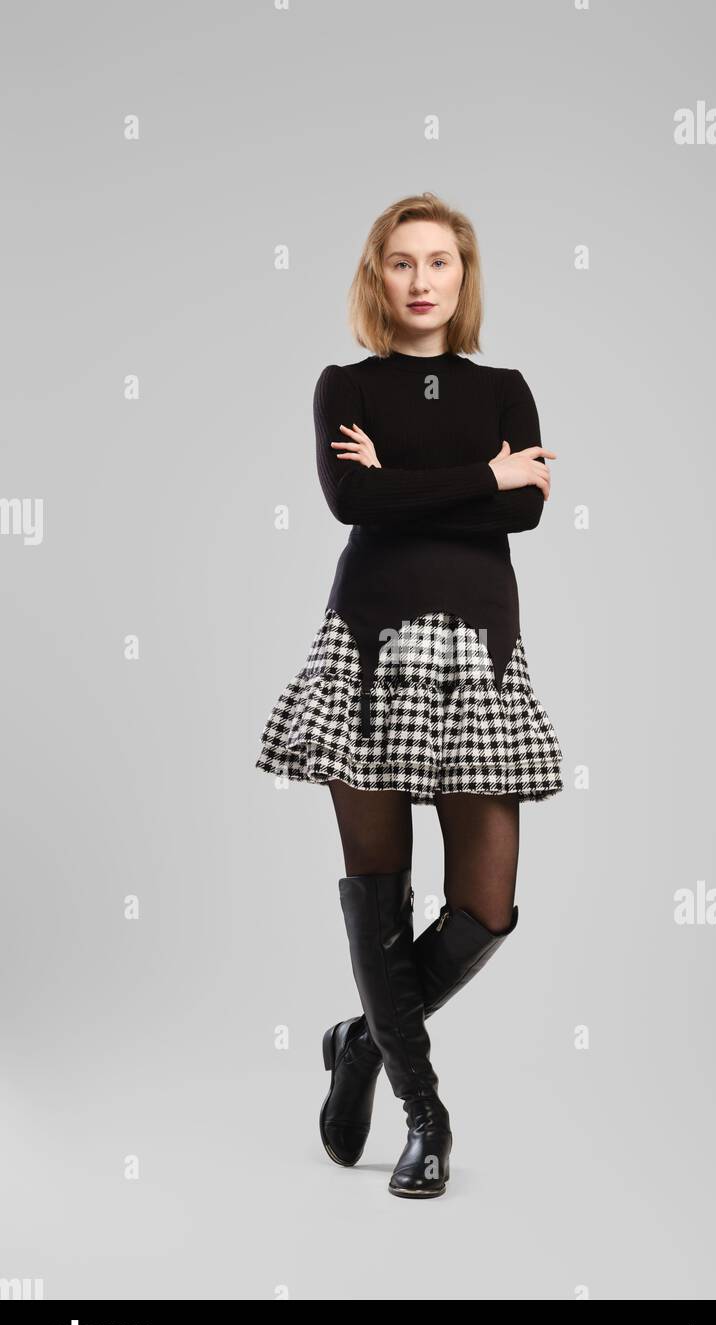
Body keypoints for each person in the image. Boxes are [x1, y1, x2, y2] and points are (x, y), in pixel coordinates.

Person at [255, 191, 563, 1198]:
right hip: (369, 650)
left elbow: (522, 515)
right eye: (401, 263)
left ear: (463, 279)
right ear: (376, 278)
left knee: (484, 905)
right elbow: (354, 501)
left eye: (439, 262)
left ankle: (360, 1040)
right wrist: (477, 474)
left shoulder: (507, 387)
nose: (421, 279)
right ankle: (424, 1114)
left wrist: (420, 480)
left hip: (476, 656)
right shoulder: (344, 384)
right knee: (381, 899)